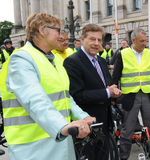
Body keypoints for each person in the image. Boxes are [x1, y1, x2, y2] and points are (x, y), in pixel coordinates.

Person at [0, 13, 95, 160]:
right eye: (58, 30)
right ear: (43, 30)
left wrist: (83, 116)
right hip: (32, 147)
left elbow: (64, 97)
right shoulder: (21, 59)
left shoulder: (55, 59)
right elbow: (34, 99)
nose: (62, 35)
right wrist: (62, 126)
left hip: (60, 141)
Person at [63, 24, 122, 160]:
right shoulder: (72, 62)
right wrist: (107, 92)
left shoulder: (101, 61)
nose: (96, 43)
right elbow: (77, 96)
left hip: (105, 124)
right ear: (82, 39)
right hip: (86, 126)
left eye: (99, 40)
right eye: (92, 39)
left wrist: (113, 92)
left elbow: (105, 85)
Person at [112, 28, 150, 160]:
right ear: (133, 40)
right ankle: (123, 156)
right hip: (130, 97)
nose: (145, 43)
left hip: (149, 95)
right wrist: (114, 95)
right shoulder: (122, 54)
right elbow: (115, 76)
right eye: (142, 41)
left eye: (145, 40)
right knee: (127, 129)